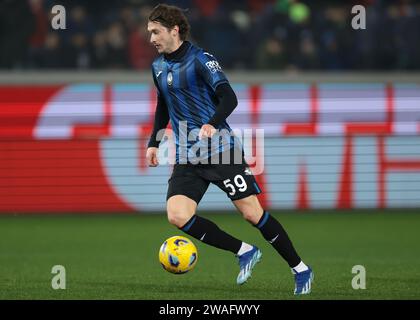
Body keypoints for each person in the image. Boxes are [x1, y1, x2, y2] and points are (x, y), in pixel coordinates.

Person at [145, 4, 313, 295]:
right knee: (177, 214)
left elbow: (229, 98)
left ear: (174, 30)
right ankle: (244, 251)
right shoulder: (157, 67)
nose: (151, 39)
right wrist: (154, 143)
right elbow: (163, 105)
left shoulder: (201, 59)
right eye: (149, 33)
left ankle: (300, 268)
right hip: (187, 154)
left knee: (252, 214)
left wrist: (211, 123)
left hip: (221, 150)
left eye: (156, 32)